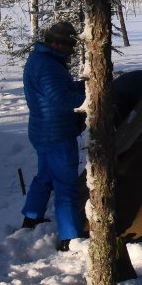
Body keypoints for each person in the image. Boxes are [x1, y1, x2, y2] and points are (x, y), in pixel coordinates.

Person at [21, 20, 87, 251]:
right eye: (70, 47)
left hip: (42, 130)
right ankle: (70, 238)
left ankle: (31, 218)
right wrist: (90, 99)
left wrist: (81, 86)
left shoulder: (42, 60)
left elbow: (56, 91)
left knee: (46, 177)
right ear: (58, 44)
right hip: (57, 133)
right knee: (66, 186)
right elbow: (60, 99)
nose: (72, 53)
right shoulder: (48, 66)